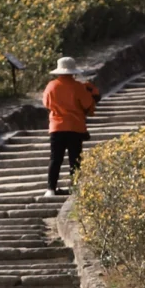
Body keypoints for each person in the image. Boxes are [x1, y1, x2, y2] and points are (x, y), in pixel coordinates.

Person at [42, 57, 100, 198]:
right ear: (73, 72)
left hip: (56, 127)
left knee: (55, 158)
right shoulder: (79, 87)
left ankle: (50, 189)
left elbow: (46, 104)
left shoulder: (51, 86)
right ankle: (75, 188)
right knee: (75, 159)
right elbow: (88, 105)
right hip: (75, 127)